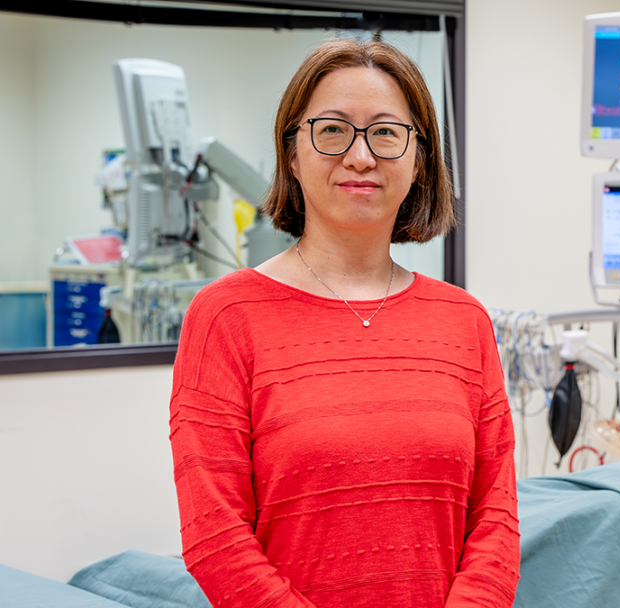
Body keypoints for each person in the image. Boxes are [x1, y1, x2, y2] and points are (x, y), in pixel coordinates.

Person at [169, 38, 518, 608]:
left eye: (386, 132)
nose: (361, 156)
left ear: (419, 158)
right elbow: (216, 536)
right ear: (291, 153)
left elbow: (496, 517)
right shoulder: (226, 317)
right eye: (332, 130)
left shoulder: (465, 321)